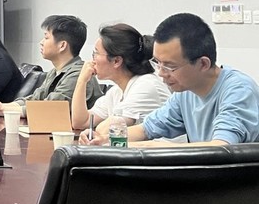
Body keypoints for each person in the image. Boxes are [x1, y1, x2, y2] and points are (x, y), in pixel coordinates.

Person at [82, 12, 259, 147]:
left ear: (203, 64)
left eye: (169, 66)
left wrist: (157, 147)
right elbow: (146, 129)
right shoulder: (185, 92)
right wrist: (106, 140)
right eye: (158, 63)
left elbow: (220, 147)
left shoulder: (238, 90)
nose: (161, 73)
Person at [0, 14, 102, 116]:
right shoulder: (54, 72)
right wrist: (3, 106)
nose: (41, 42)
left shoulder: (78, 74)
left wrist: (4, 110)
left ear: (62, 45)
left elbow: (49, 108)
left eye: (46, 37)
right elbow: (35, 98)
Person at [72, 22, 170, 139]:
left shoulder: (146, 86)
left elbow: (105, 130)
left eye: (96, 53)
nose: (92, 60)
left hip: (166, 150)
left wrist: (96, 132)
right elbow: (81, 122)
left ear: (116, 61)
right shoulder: (116, 91)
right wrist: (81, 81)